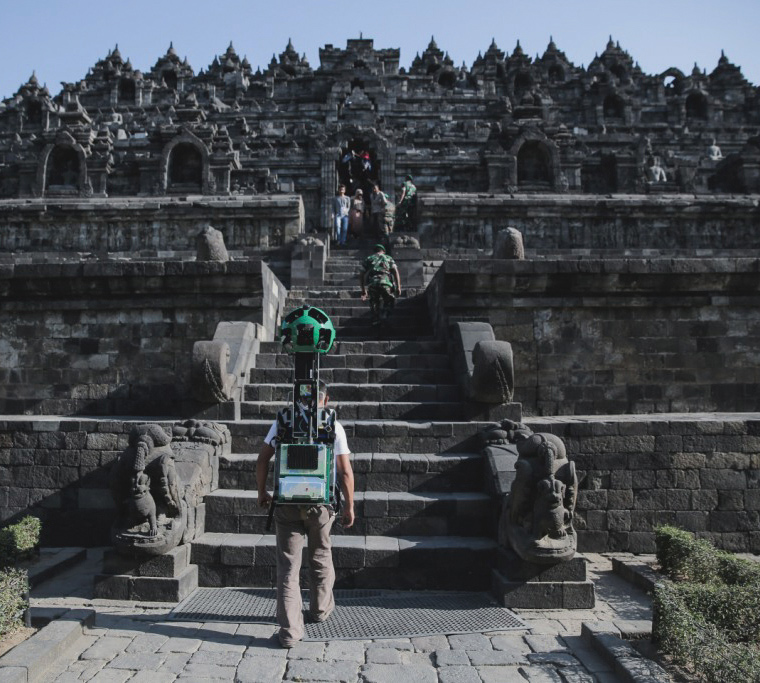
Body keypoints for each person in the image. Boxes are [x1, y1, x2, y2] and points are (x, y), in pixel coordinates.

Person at [257, 380, 355, 648]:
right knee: (321, 555)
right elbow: (345, 472)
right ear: (326, 399)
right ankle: (320, 609)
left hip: (287, 503)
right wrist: (349, 506)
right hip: (320, 504)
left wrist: (262, 493)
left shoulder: (283, 422)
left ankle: (289, 632)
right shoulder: (333, 425)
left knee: (288, 568)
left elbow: (262, 458)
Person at [360, 244, 402, 325]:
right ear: (383, 251)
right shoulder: (388, 258)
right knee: (389, 301)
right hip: (385, 283)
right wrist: (398, 287)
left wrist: (363, 290)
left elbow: (361, 274)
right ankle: (385, 316)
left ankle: (376, 321)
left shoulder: (369, 258)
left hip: (373, 284)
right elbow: (395, 272)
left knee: (374, 304)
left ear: (375, 251)